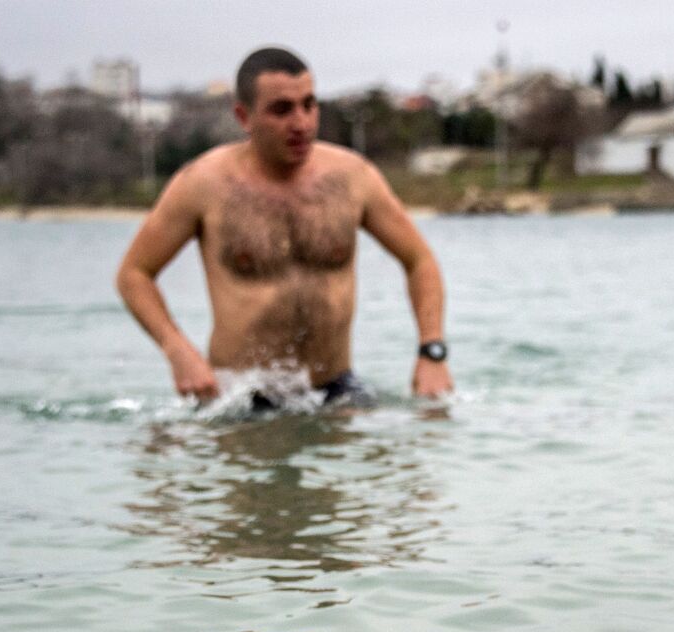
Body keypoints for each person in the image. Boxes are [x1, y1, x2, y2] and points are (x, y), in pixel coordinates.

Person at [115, 46, 453, 407]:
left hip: (336, 391)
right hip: (238, 400)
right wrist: (178, 350)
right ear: (243, 117)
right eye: (281, 110)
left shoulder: (353, 177)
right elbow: (135, 273)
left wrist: (431, 352)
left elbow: (419, 259)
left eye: (309, 104)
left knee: (423, 443)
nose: (301, 123)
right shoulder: (204, 184)